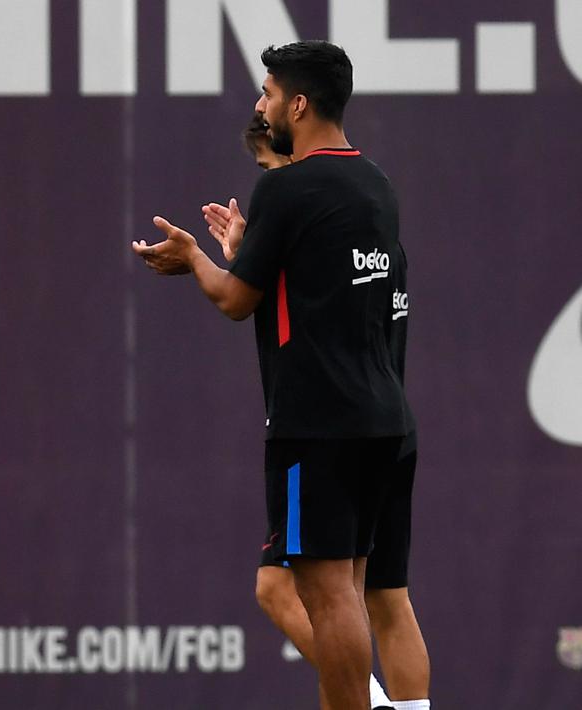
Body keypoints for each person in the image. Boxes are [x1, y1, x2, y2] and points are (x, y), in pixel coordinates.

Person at [132, 41, 416, 710]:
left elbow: (236, 300)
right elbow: (304, 279)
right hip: (381, 418)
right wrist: (243, 250)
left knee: (328, 597)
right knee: (352, 591)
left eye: (267, 93)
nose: (260, 106)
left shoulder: (284, 186)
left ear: (298, 104)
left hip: (315, 424)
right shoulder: (374, 182)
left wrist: (193, 258)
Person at [224, 113, 431, 710]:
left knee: (291, 587)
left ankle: (369, 703)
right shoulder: (371, 228)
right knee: (385, 596)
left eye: (269, 166)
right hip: (390, 426)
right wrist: (255, 251)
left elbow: (241, 299)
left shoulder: (302, 210)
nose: (267, 181)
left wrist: (244, 259)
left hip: (330, 432)